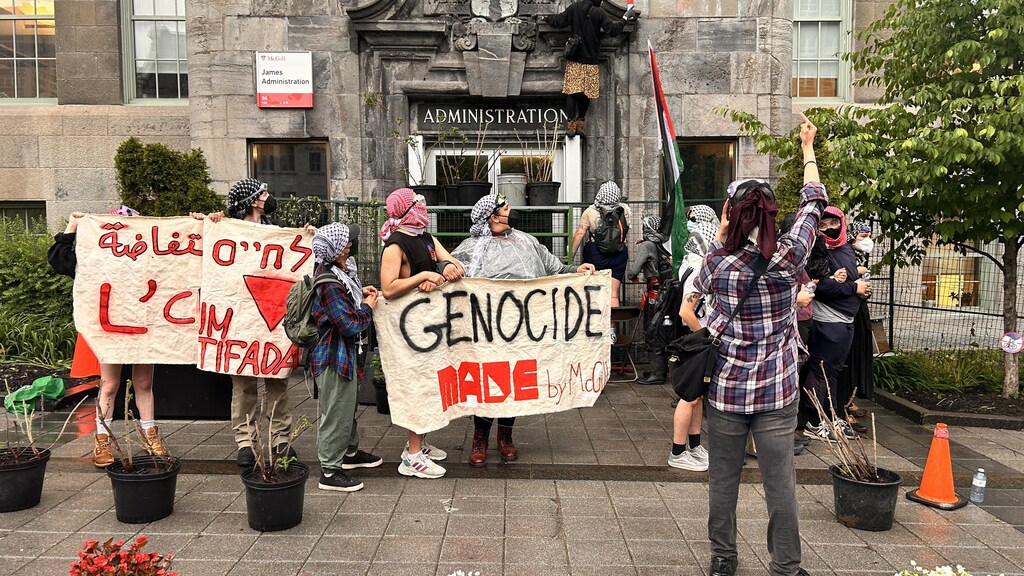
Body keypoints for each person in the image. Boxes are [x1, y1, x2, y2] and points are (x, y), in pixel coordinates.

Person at [693, 113, 824, 576]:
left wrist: (723, 236)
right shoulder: (791, 256)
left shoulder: (716, 264)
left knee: (722, 481)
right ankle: (786, 567)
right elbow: (814, 203)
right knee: (780, 484)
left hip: (726, 392)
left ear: (731, 214)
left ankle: (723, 561)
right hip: (777, 392)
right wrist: (808, 149)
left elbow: (693, 303)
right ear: (770, 213)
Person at [451, 193, 596, 467]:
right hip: (487, 331)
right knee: (488, 382)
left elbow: (555, 269)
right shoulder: (472, 248)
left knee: (514, 382)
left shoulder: (528, 241)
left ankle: (506, 436)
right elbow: (451, 275)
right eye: (505, 207)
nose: (511, 210)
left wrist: (578, 269)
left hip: (524, 330)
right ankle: (479, 437)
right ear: (492, 216)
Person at [47, 206, 169, 467]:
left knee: (144, 382)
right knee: (110, 384)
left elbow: (182, 265)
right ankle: (102, 440)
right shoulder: (97, 257)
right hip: (111, 329)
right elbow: (60, 261)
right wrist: (72, 227)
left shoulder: (150, 256)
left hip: (143, 326)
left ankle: (150, 436)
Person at [208, 178, 298, 467]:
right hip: (241, 321)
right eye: (263, 193)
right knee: (243, 384)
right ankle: (245, 440)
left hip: (271, 317)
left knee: (277, 382)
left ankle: (279, 438)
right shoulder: (227, 231)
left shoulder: (275, 232)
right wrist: (208, 223)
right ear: (253, 200)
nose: (268, 196)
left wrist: (304, 237)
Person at [378, 188, 465, 479]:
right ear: (407, 210)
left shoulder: (426, 237)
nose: (424, 207)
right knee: (417, 385)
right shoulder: (395, 245)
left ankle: (419, 444)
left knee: (429, 382)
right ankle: (413, 456)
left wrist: (446, 269)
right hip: (409, 329)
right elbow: (388, 288)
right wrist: (422, 277)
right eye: (418, 203)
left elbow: (453, 263)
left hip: (429, 325)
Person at [308, 223, 383, 492]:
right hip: (332, 355)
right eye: (347, 242)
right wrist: (367, 307)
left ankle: (349, 454)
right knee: (336, 411)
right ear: (335, 250)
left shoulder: (338, 273)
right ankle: (329, 470)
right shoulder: (329, 282)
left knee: (346, 406)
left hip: (344, 354)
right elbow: (349, 324)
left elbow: (344, 304)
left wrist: (360, 294)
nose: (351, 244)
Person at [800, 206, 871, 441]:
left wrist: (859, 287)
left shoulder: (845, 249)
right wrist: (854, 287)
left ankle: (830, 415)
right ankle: (813, 420)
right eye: (822, 225)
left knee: (833, 371)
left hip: (846, 320)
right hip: (827, 320)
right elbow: (817, 286)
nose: (830, 228)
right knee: (820, 370)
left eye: (834, 223)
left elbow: (847, 277)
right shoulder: (816, 250)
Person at [542, 0, 637, 137]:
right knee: (586, 93)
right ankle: (581, 123)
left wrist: (546, 18)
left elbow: (559, 21)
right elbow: (612, 30)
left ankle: (571, 124)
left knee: (572, 92)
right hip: (591, 60)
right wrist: (625, 17)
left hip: (575, 58)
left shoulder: (574, 7)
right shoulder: (599, 12)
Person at [668, 221, 718, 472]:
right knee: (689, 397)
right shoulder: (699, 268)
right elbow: (685, 312)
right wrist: (707, 337)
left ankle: (695, 447)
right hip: (699, 341)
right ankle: (678, 452)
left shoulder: (691, 263)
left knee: (696, 396)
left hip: (696, 339)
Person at [627, 215, 675, 385]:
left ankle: (657, 373)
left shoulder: (647, 245)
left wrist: (632, 275)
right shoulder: (664, 242)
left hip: (654, 295)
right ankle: (660, 369)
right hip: (667, 293)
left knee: (651, 329)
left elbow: (633, 271)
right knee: (662, 329)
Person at [571, 180, 630, 308]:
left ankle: (596, 326)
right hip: (619, 252)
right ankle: (612, 328)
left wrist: (571, 254)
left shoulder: (590, 211)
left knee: (595, 291)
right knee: (613, 294)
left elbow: (580, 233)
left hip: (595, 253)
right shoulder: (624, 209)